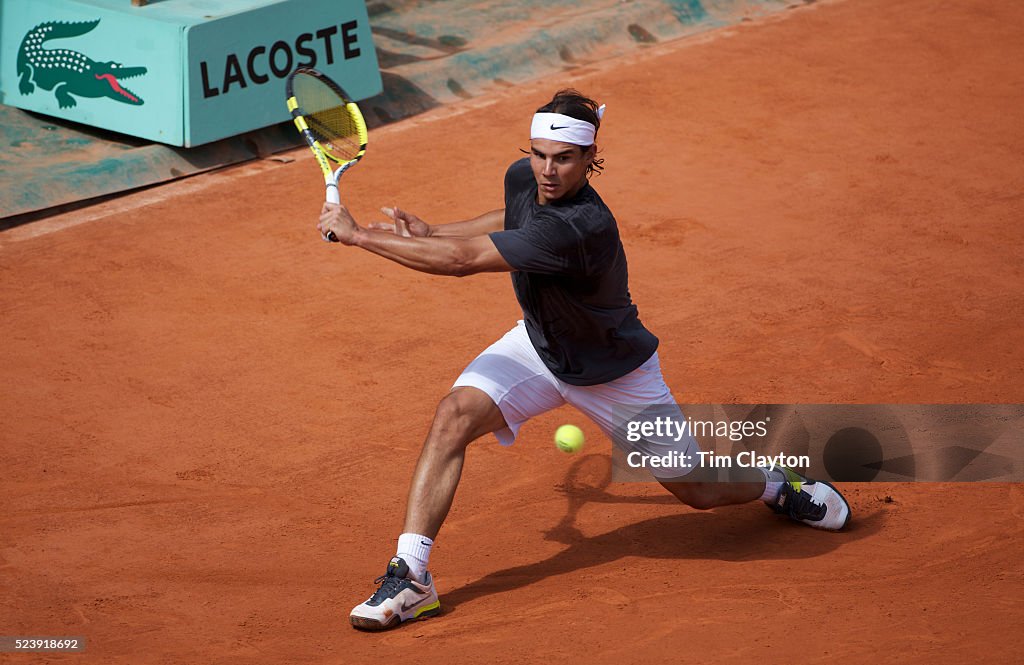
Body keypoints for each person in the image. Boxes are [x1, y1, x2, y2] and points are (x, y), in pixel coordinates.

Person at [317, 89, 851, 631]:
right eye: (538, 154)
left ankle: (776, 485)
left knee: (700, 490)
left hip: (612, 373)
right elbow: (509, 215)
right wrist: (437, 229)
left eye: (564, 158)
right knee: (453, 415)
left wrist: (359, 235)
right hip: (539, 346)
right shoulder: (527, 178)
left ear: (591, 158)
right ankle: (412, 577)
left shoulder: (582, 226)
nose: (547, 170)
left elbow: (461, 263)